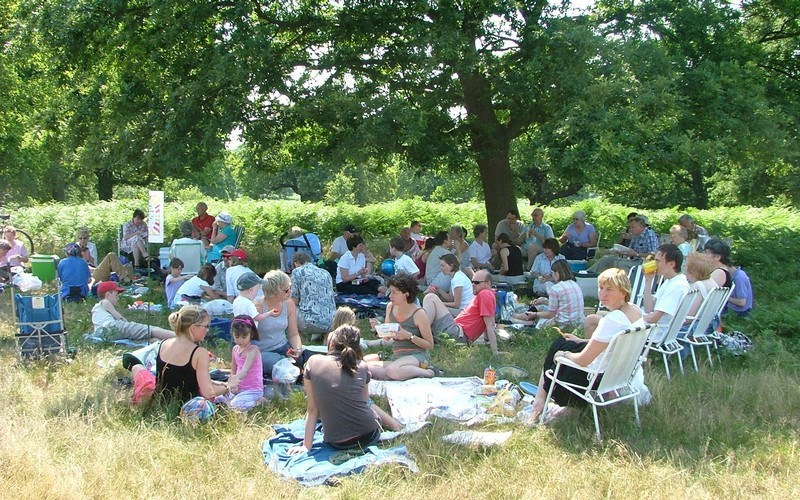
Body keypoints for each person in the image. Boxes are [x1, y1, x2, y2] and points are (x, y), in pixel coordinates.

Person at [527, 268, 645, 423]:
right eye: (601, 288)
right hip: (619, 373)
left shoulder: (613, 320)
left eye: (610, 289)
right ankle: (542, 402)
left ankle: (539, 404)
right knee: (567, 342)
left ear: (623, 292)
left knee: (558, 348)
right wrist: (580, 341)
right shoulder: (635, 311)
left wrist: (563, 355)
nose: (603, 294)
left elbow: (583, 361)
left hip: (596, 377)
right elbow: (612, 344)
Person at [287, 325, 403, 454]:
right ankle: (396, 426)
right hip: (368, 436)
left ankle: (396, 426)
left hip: (337, 442)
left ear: (332, 342)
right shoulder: (362, 366)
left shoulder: (313, 362)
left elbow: (313, 409)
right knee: (367, 404)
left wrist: (306, 446)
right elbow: (365, 401)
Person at [367, 274, 441, 380]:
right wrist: (379, 328)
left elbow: (429, 345)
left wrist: (409, 336)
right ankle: (405, 373)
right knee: (368, 367)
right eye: (390, 292)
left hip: (416, 355)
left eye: (394, 293)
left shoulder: (418, 313)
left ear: (406, 294)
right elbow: (387, 337)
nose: (390, 296)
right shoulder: (390, 307)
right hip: (397, 356)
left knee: (391, 370)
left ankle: (429, 372)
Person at [154, 305, 231, 403]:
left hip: (159, 404)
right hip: (188, 408)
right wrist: (227, 387)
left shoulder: (164, 343)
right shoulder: (199, 353)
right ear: (193, 328)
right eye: (206, 326)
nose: (207, 330)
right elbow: (208, 392)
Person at [425, 270, 508, 355]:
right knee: (431, 304)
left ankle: (423, 336)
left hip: (458, 334)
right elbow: (487, 322)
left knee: (430, 298)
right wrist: (487, 341)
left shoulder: (485, 294)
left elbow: (490, 324)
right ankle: (423, 334)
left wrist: (495, 351)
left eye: (476, 283)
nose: (473, 285)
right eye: (472, 282)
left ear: (487, 283)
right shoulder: (487, 294)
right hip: (456, 332)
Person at [254, 270, 308, 376]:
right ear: (274, 292)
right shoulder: (258, 307)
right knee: (279, 363)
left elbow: (293, 334)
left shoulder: (289, 304)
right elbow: (250, 339)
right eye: (286, 290)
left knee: (303, 358)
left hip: (283, 346)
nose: (290, 292)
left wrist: (297, 349)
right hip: (264, 351)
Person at [92, 281, 175, 341]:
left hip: (104, 333)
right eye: (116, 295)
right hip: (112, 327)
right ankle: (182, 338)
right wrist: (127, 322)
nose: (118, 298)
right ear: (108, 294)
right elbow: (119, 318)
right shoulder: (105, 302)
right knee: (151, 330)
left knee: (148, 338)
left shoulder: (96, 308)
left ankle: (164, 342)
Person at [514, 260, 584, 329]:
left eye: (552, 273)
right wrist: (545, 301)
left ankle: (521, 321)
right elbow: (563, 304)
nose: (552, 276)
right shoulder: (575, 284)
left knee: (540, 315)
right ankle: (517, 316)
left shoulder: (556, 288)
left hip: (563, 323)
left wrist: (535, 314)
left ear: (557, 273)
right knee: (542, 307)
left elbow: (550, 314)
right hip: (578, 322)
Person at [643, 244, 691, 339]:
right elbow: (649, 309)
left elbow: (653, 319)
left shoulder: (677, 286)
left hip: (656, 333)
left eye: (658, 261)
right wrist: (648, 282)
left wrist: (634, 318)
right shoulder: (671, 280)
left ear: (671, 264)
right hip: (653, 328)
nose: (655, 264)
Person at [220, 316, 266, 411]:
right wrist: (233, 385)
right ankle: (237, 399)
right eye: (237, 337)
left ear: (251, 334)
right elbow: (233, 370)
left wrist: (233, 382)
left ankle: (259, 401)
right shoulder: (235, 349)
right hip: (239, 387)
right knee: (219, 398)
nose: (240, 340)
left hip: (253, 389)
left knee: (234, 405)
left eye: (244, 337)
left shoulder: (253, 350)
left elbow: (245, 370)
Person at [291, 252, 336, 340]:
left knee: (289, 305)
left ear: (295, 263)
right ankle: (326, 336)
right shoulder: (325, 272)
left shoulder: (297, 272)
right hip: (331, 321)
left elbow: (295, 300)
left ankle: (298, 340)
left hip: (309, 322)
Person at [589, 215, 657, 273]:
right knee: (606, 259)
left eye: (633, 227)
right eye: (630, 227)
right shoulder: (635, 235)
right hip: (632, 259)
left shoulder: (649, 235)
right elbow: (630, 250)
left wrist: (637, 254)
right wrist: (621, 251)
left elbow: (653, 255)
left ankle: (625, 285)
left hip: (644, 262)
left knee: (619, 263)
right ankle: (588, 274)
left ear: (641, 227)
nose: (630, 229)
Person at [704, 238, 753, 317]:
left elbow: (742, 302)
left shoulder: (739, 277)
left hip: (737, 313)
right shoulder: (723, 272)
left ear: (717, 257)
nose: (704, 256)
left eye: (706, 253)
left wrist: (724, 296)